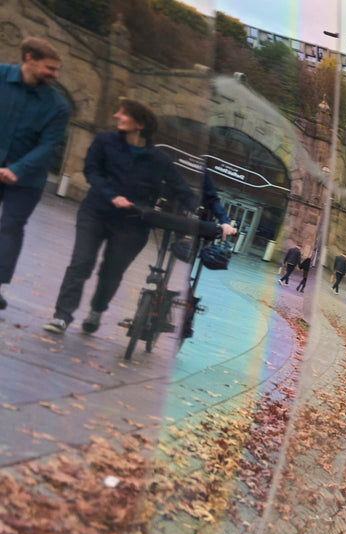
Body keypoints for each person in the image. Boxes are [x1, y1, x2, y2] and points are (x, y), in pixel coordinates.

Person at [44, 99, 199, 335]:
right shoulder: (105, 141)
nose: (116, 116)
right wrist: (111, 195)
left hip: (132, 224)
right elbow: (91, 171)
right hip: (96, 211)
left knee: (112, 271)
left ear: (139, 124)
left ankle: (97, 311)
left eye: (122, 114)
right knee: (81, 262)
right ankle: (62, 316)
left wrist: (206, 213)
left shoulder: (159, 159)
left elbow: (181, 188)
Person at [0, 37, 71, 311]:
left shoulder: (58, 106)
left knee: (10, 227)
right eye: (49, 68)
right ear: (29, 59)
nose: (54, 75)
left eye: (56, 70)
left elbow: (48, 146)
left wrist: (16, 170)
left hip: (26, 179)